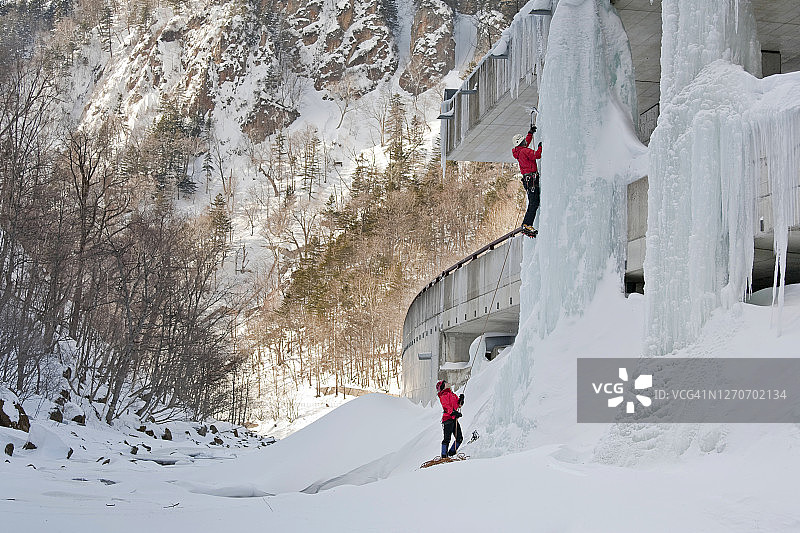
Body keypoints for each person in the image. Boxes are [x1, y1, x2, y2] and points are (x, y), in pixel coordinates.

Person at [511, 125, 543, 236]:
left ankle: (527, 224)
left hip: (528, 180)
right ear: (521, 143)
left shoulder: (518, 151)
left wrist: (530, 134)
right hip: (531, 180)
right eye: (524, 140)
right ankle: (526, 224)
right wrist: (541, 147)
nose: (526, 141)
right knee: (534, 203)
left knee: (533, 202)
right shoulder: (524, 151)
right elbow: (537, 155)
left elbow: (526, 145)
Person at [436, 380, 464, 458]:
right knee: (447, 439)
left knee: (459, 438)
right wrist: (454, 413)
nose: (448, 383)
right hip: (447, 420)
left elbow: (458, 405)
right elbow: (446, 407)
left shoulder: (452, 395)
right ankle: (444, 457)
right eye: (445, 383)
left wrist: (461, 400)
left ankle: (451, 454)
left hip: (454, 419)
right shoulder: (443, 395)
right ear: (443, 386)